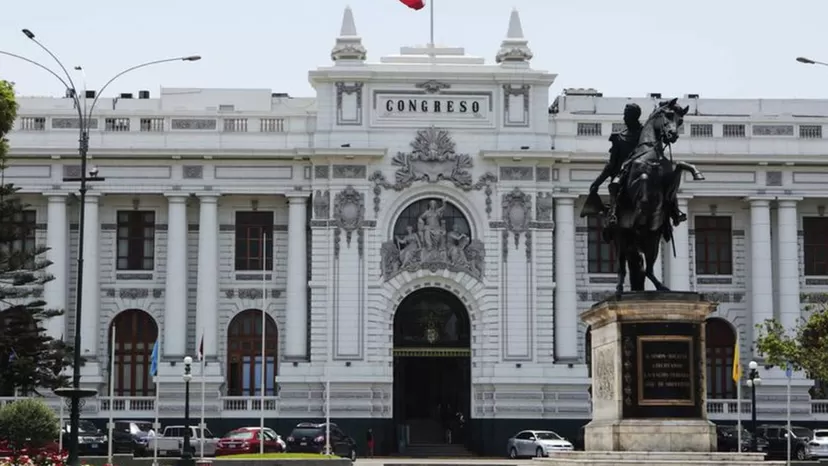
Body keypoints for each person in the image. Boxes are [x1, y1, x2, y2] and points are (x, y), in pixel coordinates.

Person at [588, 103, 644, 227]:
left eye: (627, 115)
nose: (624, 118)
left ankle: (674, 212)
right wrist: (597, 183)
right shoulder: (619, 138)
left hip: (644, 172)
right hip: (624, 176)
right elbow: (611, 165)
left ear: (635, 117)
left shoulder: (646, 135)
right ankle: (612, 214)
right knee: (614, 185)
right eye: (624, 115)